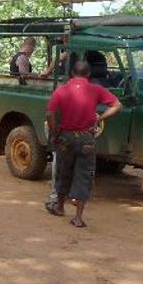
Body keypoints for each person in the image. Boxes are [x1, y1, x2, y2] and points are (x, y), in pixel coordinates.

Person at [45, 60, 123, 228]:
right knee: (84, 175)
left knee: (63, 172)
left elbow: (50, 114)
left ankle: (59, 207)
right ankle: (78, 217)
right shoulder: (96, 89)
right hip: (87, 138)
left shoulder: (61, 90)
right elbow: (117, 105)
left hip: (66, 137)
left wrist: (55, 133)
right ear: (88, 74)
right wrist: (100, 118)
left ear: (72, 73)